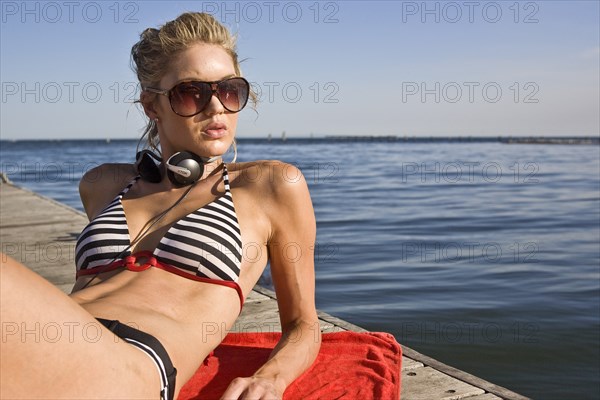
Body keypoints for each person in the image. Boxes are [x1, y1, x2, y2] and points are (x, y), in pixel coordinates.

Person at [0, 12, 320, 400]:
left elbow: (303, 325)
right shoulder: (103, 184)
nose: (216, 107)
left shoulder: (270, 185)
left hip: (131, 364)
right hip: (50, 344)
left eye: (230, 90)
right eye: (192, 92)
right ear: (152, 106)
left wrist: (270, 378)